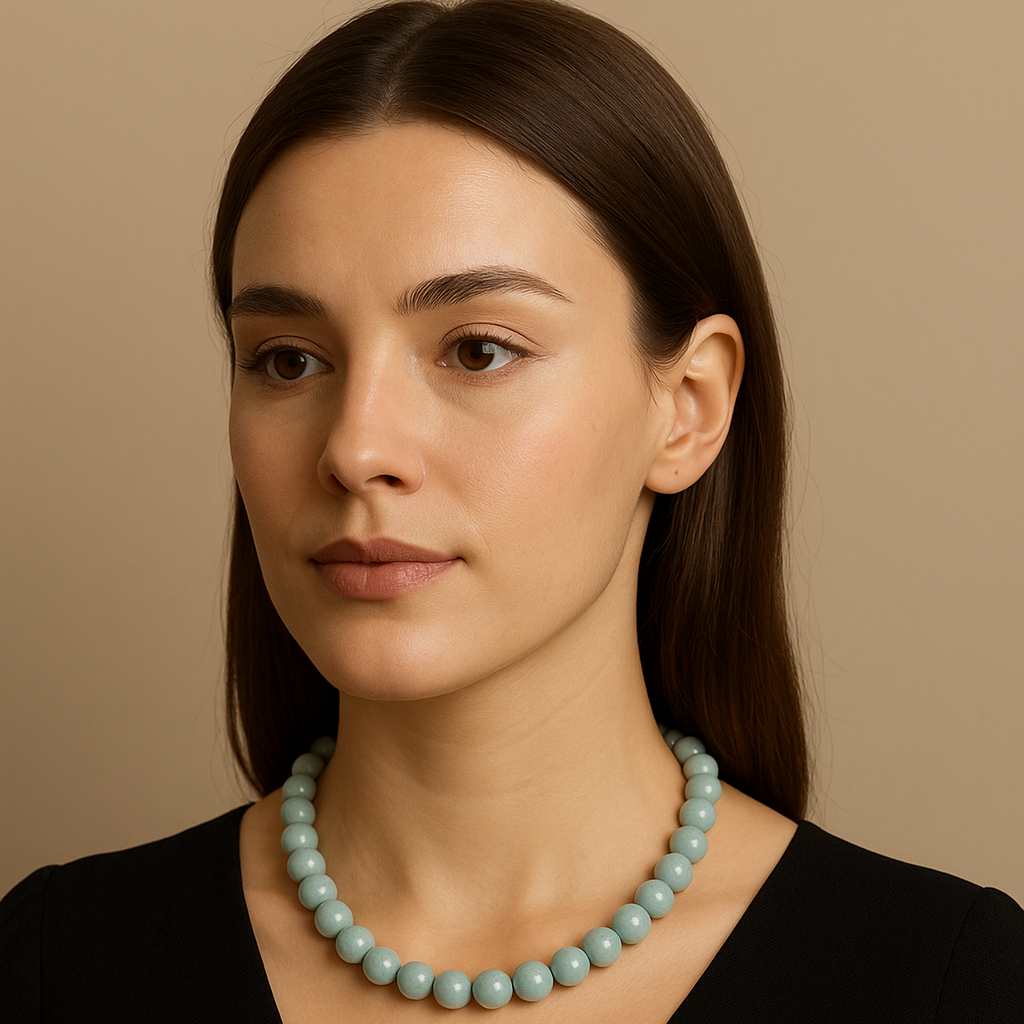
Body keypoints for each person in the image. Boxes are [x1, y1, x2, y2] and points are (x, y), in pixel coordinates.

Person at [1, 0, 1021, 1019]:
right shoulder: (55, 966)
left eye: (478, 349)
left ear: (689, 407)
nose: (356, 448)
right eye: (288, 359)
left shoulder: (945, 985)